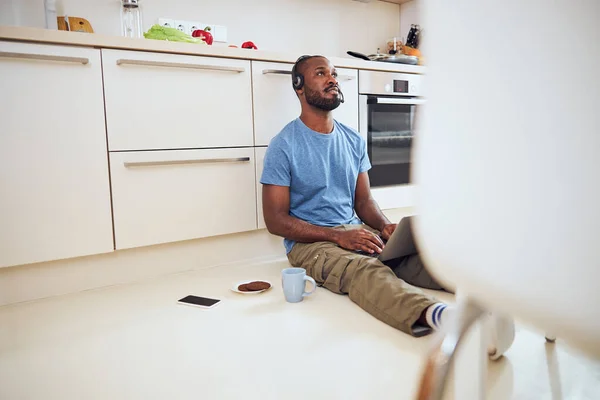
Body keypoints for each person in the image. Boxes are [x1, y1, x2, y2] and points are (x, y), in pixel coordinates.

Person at [260, 55, 514, 357]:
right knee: (366, 270)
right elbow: (276, 220)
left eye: (334, 74)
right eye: (321, 73)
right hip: (312, 243)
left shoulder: (352, 139)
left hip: (355, 230)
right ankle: (443, 318)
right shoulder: (284, 145)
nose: (332, 79)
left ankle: (497, 299)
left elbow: (363, 201)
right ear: (299, 86)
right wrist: (337, 236)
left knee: (422, 256)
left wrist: (383, 226)